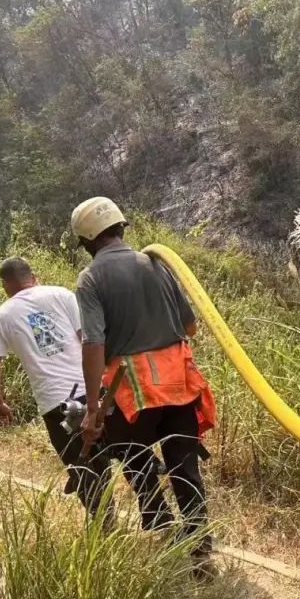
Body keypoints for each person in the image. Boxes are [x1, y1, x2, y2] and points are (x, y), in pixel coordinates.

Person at [72, 197, 216, 572]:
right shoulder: (157, 264)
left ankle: (159, 520)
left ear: (86, 241)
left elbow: (93, 343)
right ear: (121, 227)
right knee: (185, 466)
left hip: (132, 389)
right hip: (180, 384)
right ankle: (200, 546)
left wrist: (91, 408)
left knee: (130, 453)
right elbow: (190, 326)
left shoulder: (90, 279)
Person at [0, 257, 114, 525]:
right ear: (34, 276)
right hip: (93, 392)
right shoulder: (61, 294)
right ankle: (123, 515)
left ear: (5, 285)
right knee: (103, 452)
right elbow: (89, 339)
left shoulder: (0, 317)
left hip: (57, 405)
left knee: (79, 462)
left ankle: (104, 522)